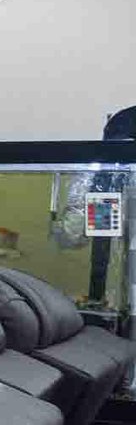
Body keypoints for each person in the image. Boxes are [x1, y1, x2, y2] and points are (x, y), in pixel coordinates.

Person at [90, 104, 136, 306]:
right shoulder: (123, 120)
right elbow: (105, 173)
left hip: (107, 189)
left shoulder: (121, 118)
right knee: (100, 259)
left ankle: (97, 299)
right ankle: (97, 300)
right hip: (108, 191)